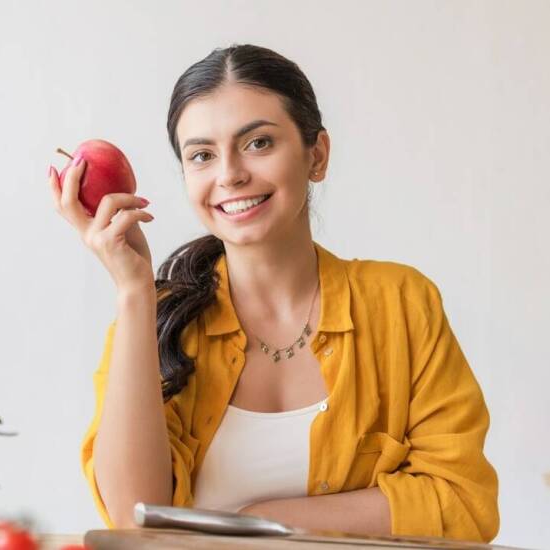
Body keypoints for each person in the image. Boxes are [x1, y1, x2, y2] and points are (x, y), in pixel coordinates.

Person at [48, 44, 498, 542]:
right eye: (202, 155)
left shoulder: (402, 302)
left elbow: (463, 502)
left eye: (258, 143)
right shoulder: (156, 320)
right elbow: (134, 519)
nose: (229, 174)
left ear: (317, 155)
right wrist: (134, 291)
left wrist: (260, 521)